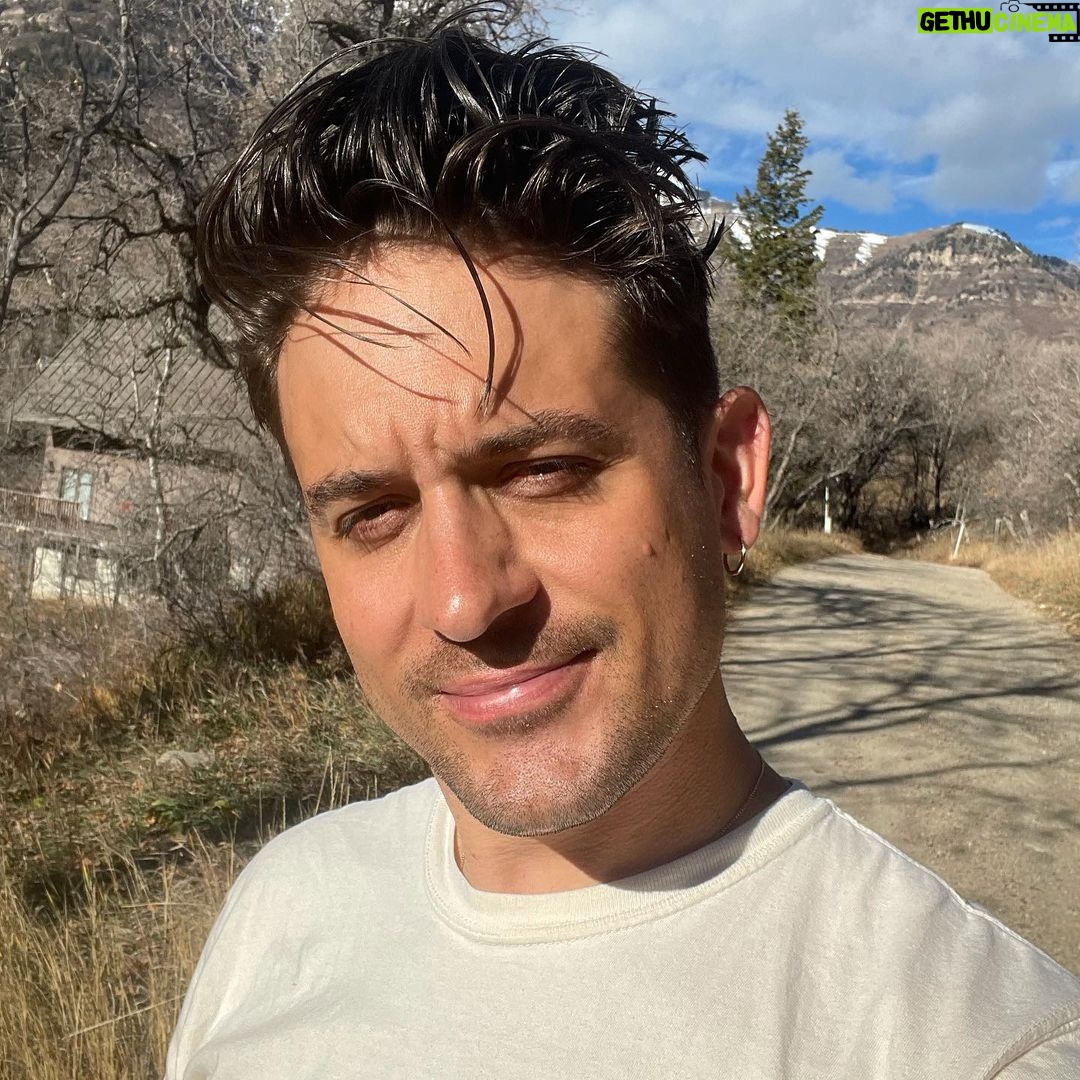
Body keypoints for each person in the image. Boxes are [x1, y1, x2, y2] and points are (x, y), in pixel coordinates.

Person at [167, 29, 1080, 1079]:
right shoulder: (278, 912)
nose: (464, 600)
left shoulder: (976, 1044)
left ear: (726, 479)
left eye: (543, 471)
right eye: (373, 514)